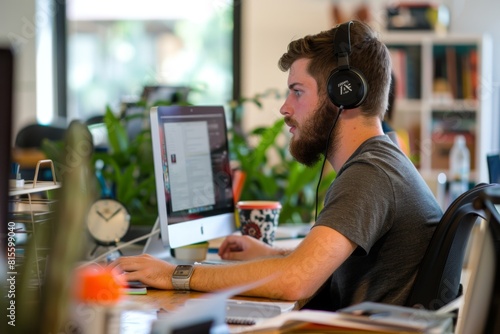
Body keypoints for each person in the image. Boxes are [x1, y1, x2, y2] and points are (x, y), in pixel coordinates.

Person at [111, 20, 442, 311]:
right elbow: (316, 261)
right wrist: (270, 254)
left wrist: (174, 274)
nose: (284, 109)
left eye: (297, 92)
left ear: (343, 94)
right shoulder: (381, 159)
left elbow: (296, 281)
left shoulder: (370, 174)